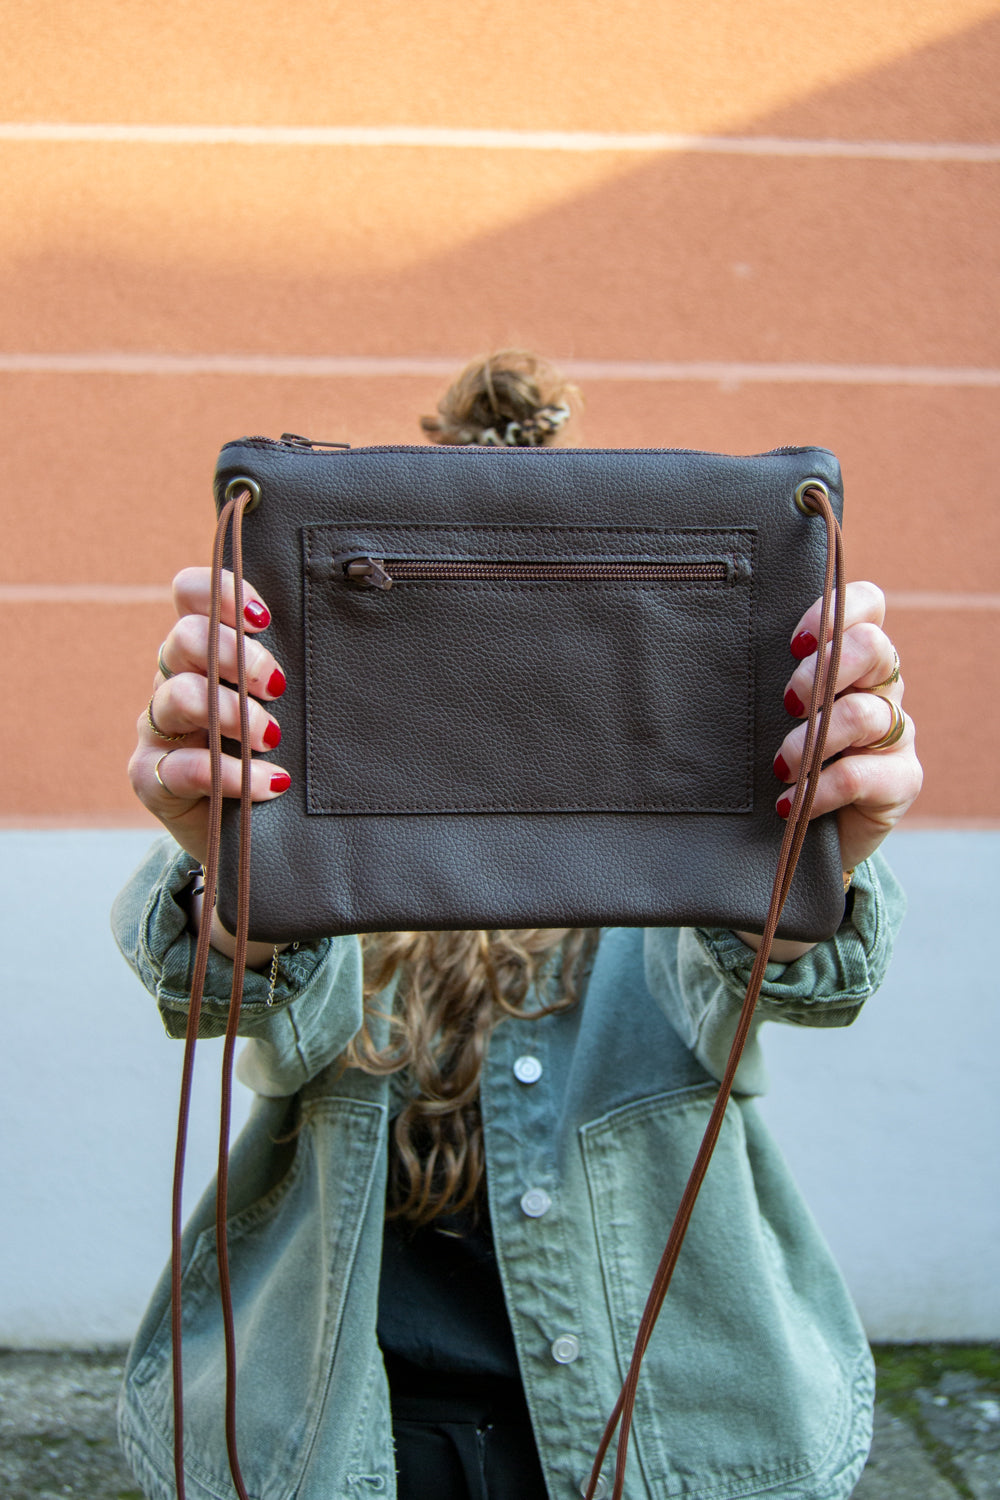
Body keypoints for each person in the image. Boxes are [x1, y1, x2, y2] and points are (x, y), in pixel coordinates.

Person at [113, 351, 923, 1500]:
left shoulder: (672, 823)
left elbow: (761, 980)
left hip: (664, 1430)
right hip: (355, 1426)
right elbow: (244, 999)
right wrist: (226, 870)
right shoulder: (326, 809)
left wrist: (819, 860)